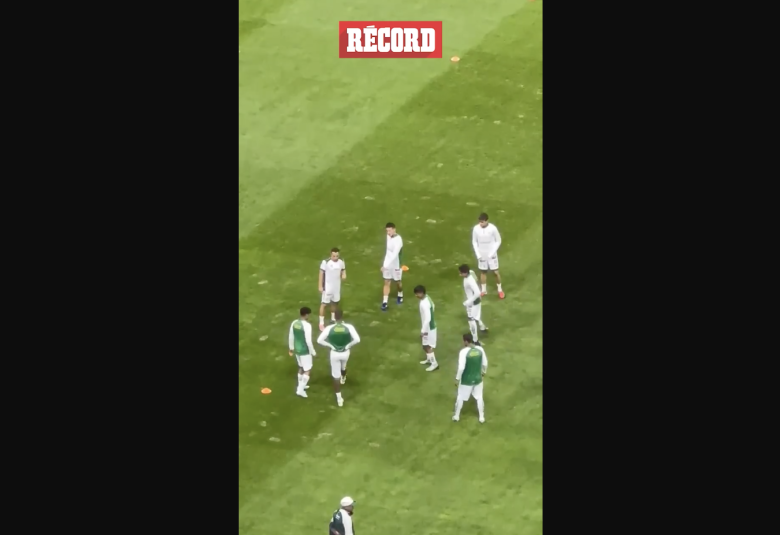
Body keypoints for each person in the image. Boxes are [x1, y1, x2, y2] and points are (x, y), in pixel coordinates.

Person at [317, 309, 361, 407]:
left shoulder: (329, 328)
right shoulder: (349, 327)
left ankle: (339, 398)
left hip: (334, 353)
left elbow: (319, 340)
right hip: (345, 352)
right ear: (342, 316)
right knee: (343, 367)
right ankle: (344, 376)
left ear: (334, 317)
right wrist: (348, 345)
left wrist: (330, 346)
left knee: (335, 376)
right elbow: (357, 339)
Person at [453, 333, 488, 423]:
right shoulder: (480, 349)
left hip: (466, 380)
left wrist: (457, 378)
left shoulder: (463, 352)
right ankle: (481, 417)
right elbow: (485, 363)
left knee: (460, 397)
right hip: (478, 378)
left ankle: (456, 416)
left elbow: (461, 367)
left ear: (465, 341)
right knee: (479, 397)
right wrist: (484, 372)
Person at [471, 213, 504, 299]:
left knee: (495, 272)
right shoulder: (476, 229)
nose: (480, 224)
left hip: (491, 254)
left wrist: (492, 252)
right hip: (482, 253)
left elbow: (498, 240)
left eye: (482, 222)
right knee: (483, 272)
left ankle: (500, 290)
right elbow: (474, 242)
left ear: (487, 221)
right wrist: (478, 254)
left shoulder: (493, 228)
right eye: (480, 222)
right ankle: (483, 290)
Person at [288, 307, 317, 398]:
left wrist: (291, 348)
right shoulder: (307, 326)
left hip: (297, 349)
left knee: (301, 367)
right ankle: (300, 390)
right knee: (307, 370)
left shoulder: (294, 323)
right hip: (305, 350)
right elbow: (308, 341)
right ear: (307, 315)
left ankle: (301, 385)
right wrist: (313, 352)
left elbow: (291, 336)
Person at [459, 264, 488, 343]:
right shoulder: (471, 272)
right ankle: (482, 327)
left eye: (461, 273)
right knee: (475, 315)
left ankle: (475, 340)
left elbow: (478, 292)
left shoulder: (469, 281)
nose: (460, 274)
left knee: (471, 320)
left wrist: (468, 302)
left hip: (473, 303)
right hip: (476, 301)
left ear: (465, 273)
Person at [319, 248, 347, 331]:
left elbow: (343, 269)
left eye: (337, 256)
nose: (335, 257)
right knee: (324, 304)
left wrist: (344, 275)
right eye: (334, 256)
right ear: (330, 255)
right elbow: (321, 274)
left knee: (335, 303)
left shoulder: (341, 261)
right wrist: (320, 286)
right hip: (327, 287)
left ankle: (333, 319)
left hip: (336, 287)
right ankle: (321, 323)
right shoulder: (326, 262)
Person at [414, 285, 438, 372]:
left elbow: (428, 318)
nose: (416, 296)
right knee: (424, 345)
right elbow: (433, 306)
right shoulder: (427, 298)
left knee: (428, 346)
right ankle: (429, 359)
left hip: (429, 328)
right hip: (428, 326)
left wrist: (423, 331)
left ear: (421, 293)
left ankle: (434, 364)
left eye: (417, 294)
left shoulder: (424, 303)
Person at [380, 222, 404, 311]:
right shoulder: (388, 236)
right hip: (387, 263)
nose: (388, 233)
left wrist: (384, 266)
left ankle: (400, 293)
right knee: (387, 282)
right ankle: (385, 302)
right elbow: (388, 252)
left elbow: (394, 255)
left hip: (396, 264)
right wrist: (385, 264)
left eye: (389, 230)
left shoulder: (399, 240)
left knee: (398, 282)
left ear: (394, 229)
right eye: (387, 231)